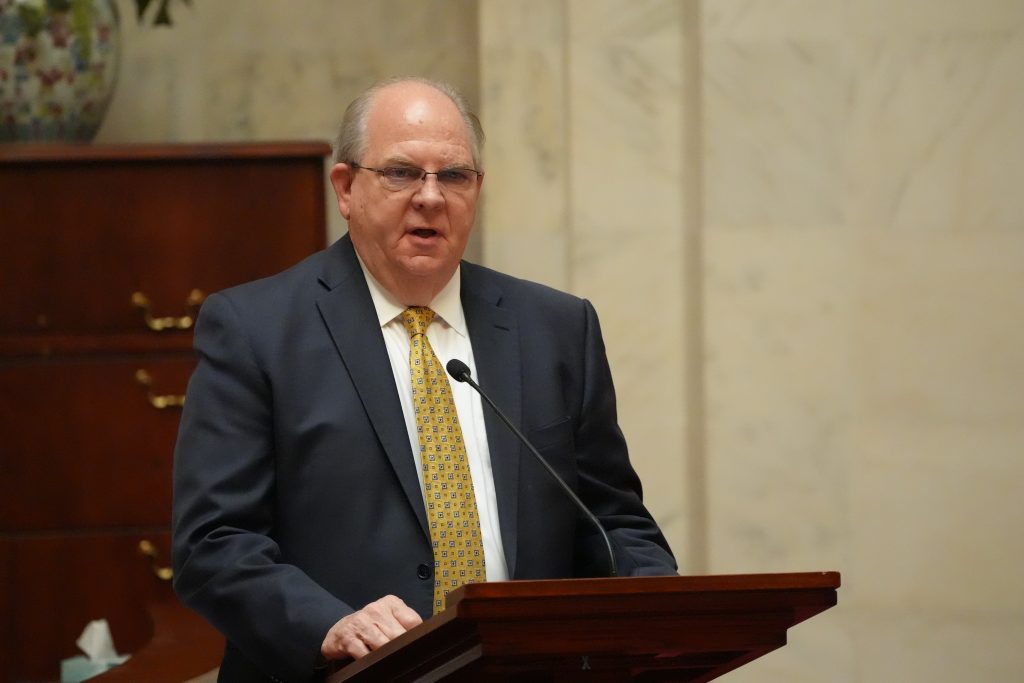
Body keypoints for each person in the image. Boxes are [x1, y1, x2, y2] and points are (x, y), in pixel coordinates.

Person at [171, 76, 676, 682]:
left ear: (477, 189)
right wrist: (328, 625)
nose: (430, 197)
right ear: (346, 188)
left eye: (454, 176)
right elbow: (213, 543)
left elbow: (612, 521)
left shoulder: (556, 328)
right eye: (401, 173)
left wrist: (661, 607)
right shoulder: (257, 329)